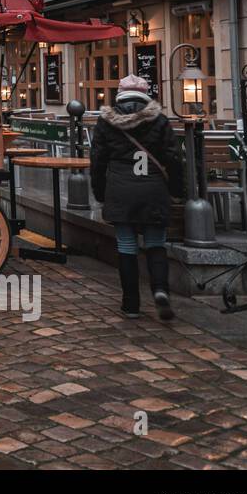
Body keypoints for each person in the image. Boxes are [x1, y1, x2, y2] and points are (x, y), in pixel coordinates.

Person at [90, 74, 184, 319]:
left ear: (119, 94)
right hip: (153, 189)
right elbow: (173, 158)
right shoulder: (160, 120)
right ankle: (161, 291)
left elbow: (98, 160)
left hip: (121, 190)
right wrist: (177, 190)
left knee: (126, 246)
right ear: (145, 94)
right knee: (155, 244)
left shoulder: (106, 122)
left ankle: (130, 303)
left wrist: (100, 192)